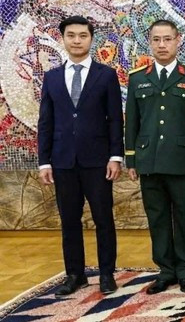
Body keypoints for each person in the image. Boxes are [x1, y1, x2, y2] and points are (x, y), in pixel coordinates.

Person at [37, 15, 122, 297]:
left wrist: (116, 156)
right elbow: (46, 122)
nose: (77, 40)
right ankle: (75, 274)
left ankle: (107, 273)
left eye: (83, 35)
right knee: (69, 220)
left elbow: (115, 119)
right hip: (62, 161)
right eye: (71, 35)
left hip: (97, 161)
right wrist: (44, 161)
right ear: (63, 38)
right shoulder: (51, 77)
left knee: (103, 218)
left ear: (91, 39)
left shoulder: (105, 75)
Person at [125, 19, 185, 294]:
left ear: (178, 40)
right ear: (149, 42)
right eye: (156, 39)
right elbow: (132, 122)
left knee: (184, 216)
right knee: (157, 217)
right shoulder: (138, 78)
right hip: (148, 160)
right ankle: (166, 270)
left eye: (167, 39)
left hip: (182, 160)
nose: (162, 45)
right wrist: (131, 159)